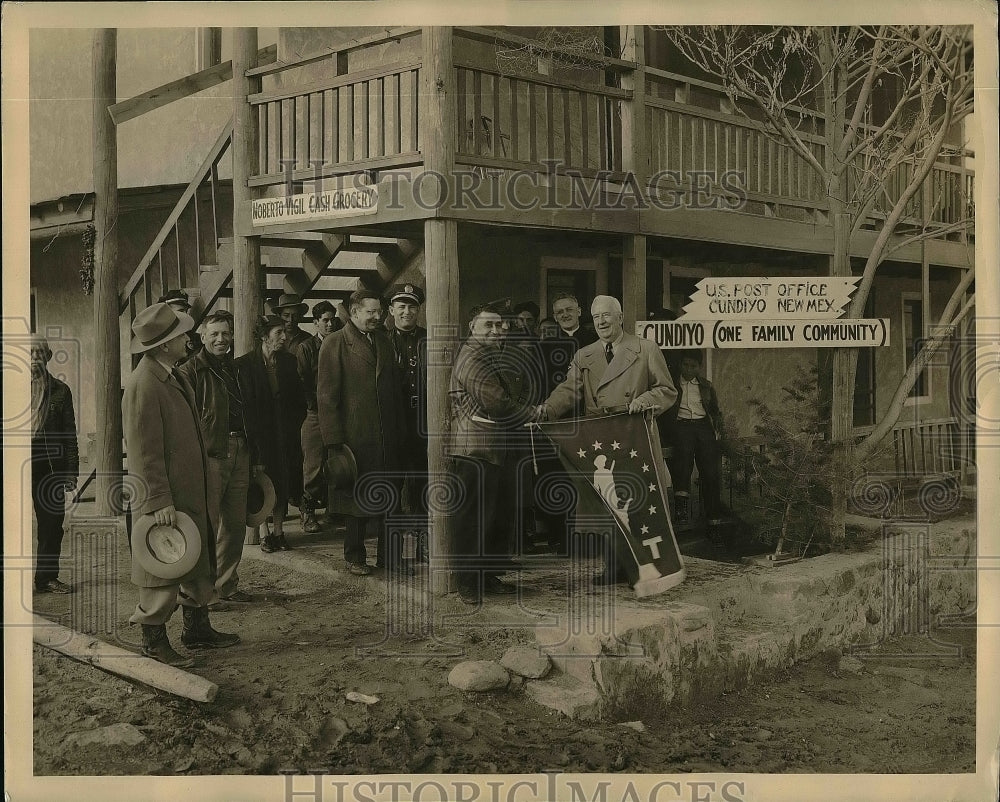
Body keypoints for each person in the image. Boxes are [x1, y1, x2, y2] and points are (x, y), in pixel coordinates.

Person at [123, 303, 239, 667]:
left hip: (188, 491)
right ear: (162, 345)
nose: (188, 339)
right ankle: (153, 641)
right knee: (163, 565)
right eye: (180, 335)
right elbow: (143, 452)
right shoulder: (144, 384)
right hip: (165, 496)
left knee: (195, 560)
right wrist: (158, 500)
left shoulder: (172, 374)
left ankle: (196, 629)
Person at [541, 295, 677, 584]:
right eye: (596, 317)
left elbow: (667, 390)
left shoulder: (645, 349)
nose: (601, 322)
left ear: (620, 317)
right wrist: (547, 409)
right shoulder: (585, 355)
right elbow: (568, 389)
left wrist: (645, 399)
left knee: (638, 500)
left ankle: (643, 567)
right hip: (601, 437)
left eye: (606, 316)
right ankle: (614, 566)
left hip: (633, 433)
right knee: (606, 503)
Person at [447, 301, 538, 604]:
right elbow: (496, 401)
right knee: (472, 518)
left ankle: (487, 575)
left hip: (496, 447)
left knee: (496, 515)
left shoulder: (494, 356)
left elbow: (518, 388)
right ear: (472, 327)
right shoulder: (471, 356)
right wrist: (532, 414)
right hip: (475, 449)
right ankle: (467, 582)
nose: (496, 330)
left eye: (500, 325)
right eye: (488, 325)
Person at [318, 290, 407, 577]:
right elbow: (327, 398)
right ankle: (355, 557)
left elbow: (395, 390)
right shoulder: (335, 344)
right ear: (354, 313)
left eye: (379, 312)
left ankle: (390, 557)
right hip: (355, 437)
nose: (377, 317)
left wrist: (399, 431)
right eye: (371, 312)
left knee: (390, 496)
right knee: (355, 499)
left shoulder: (383, 340)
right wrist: (334, 443)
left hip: (387, 434)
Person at [177, 310, 258, 608]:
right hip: (211, 454)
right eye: (214, 334)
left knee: (235, 524)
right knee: (207, 526)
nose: (221, 339)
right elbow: (186, 420)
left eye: (225, 334)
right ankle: (202, 593)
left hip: (241, 448)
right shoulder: (190, 370)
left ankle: (226, 585)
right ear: (202, 337)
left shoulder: (237, 369)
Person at [236, 316, 306, 553]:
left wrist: (293, 425)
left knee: (283, 480)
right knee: (262, 481)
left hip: (284, 433)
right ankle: (264, 534)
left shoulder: (289, 361)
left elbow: (299, 399)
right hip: (259, 435)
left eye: (284, 332)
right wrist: (253, 435)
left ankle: (279, 532)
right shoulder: (244, 365)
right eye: (278, 333)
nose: (284, 337)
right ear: (264, 336)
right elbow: (245, 404)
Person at [30, 336, 79, 594]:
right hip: (16, 462)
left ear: (48, 357)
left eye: (39, 353)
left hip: (49, 463)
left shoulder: (61, 390)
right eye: (29, 353)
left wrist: (71, 473)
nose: (34, 358)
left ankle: (46, 577)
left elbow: (70, 434)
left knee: (51, 523)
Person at [384, 283, 429, 538]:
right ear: (391, 310)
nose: (407, 312)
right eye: (401, 306)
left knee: (424, 477)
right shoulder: (381, 340)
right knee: (394, 477)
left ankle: (423, 533)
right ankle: (393, 535)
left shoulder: (428, 339)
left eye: (412, 306)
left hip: (422, 419)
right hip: (394, 420)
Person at [296, 301, 344, 533]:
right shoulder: (306, 348)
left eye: (332, 318)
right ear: (315, 323)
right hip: (315, 413)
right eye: (325, 320)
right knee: (313, 463)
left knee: (337, 462)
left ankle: (334, 511)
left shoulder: (340, 344)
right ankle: (307, 512)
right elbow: (302, 381)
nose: (330, 323)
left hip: (338, 412)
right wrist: (315, 405)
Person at [665, 350, 725, 526]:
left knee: (710, 471)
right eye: (685, 365)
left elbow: (715, 411)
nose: (689, 370)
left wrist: (718, 429)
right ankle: (682, 511)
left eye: (693, 366)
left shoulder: (706, 386)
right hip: (682, 426)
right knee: (683, 464)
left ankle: (713, 517)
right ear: (680, 364)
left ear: (700, 367)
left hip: (703, 426)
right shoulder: (672, 385)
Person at [158, 289, 203, 361]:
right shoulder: (157, 339)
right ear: (167, 312)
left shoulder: (195, 338)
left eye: (186, 311)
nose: (185, 315)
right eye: (180, 311)